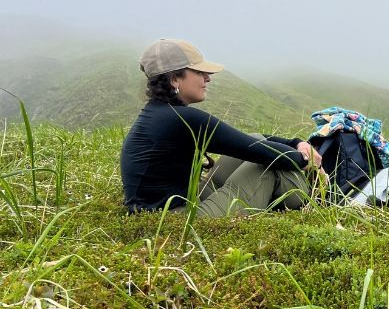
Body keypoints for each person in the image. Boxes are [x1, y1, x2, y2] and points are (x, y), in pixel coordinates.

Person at [121, 38, 320, 216]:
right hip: (175, 219)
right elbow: (261, 153)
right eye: (199, 72)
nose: (207, 78)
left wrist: (296, 143)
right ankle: (312, 198)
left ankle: (291, 195)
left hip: (176, 203)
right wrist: (306, 159)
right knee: (268, 164)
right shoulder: (181, 119)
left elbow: (246, 141)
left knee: (257, 140)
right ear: (174, 78)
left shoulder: (163, 114)